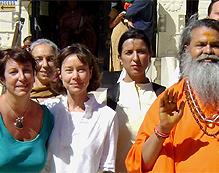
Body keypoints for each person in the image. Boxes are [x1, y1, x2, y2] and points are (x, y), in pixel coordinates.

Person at [126, 18, 219, 172]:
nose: (208, 51)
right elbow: (140, 163)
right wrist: (163, 128)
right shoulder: (170, 100)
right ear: (186, 50)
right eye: (201, 45)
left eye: (216, 46)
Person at [97, 29, 165, 172]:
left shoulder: (163, 96)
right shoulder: (108, 98)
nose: (135, 58)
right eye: (129, 53)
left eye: (141, 52)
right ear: (119, 58)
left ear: (150, 55)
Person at [43, 44, 118, 172]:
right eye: (69, 70)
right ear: (59, 74)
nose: (75, 76)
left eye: (81, 70)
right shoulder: (49, 110)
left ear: (90, 73)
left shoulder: (106, 116)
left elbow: (107, 166)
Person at [30, 39, 60, 103]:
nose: (45, 65)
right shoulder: (23, 97)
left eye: (50, 59)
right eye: (38, 60)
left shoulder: (64, 96)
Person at [109, 0, 128, 72]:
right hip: (118, 33)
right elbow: (110, 25)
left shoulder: (132, 7)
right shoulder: (115, 9)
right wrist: (118, 18)